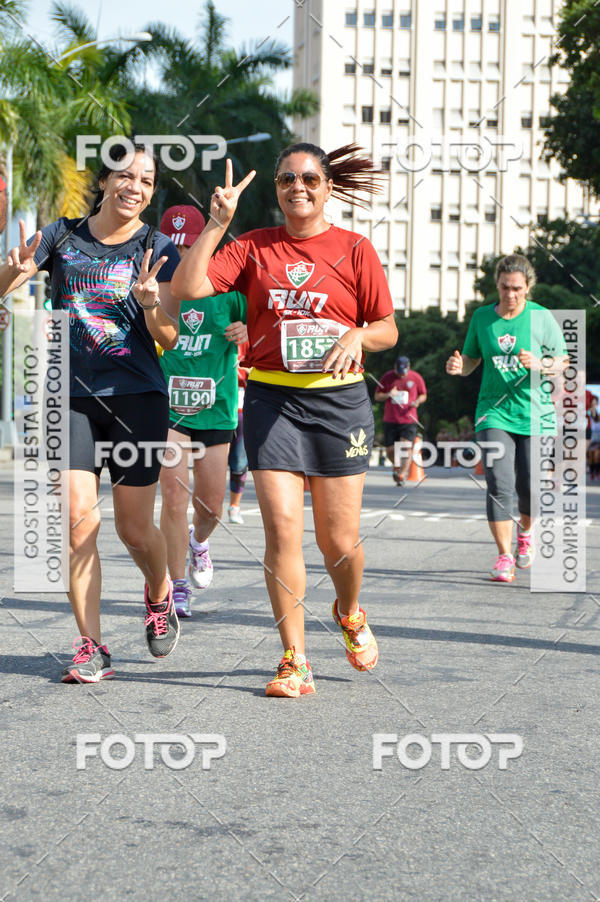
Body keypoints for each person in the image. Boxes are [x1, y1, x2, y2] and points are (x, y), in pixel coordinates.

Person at [171, 142, 398, 697]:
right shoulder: (252, 247)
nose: (298, 186)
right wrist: (216, 226)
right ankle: (294, 659)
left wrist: (357, 334)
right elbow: (186, 289)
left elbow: (388, 330)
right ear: (276, 188)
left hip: (340, 405)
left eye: (310, 178)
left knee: (338, 541)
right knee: (281, 532)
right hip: (274, 402)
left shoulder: (354, 249)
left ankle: (348, 612)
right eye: (287, 179)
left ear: (326, 186)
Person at [0, 144, 181, 681]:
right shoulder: (62, 235)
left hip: (137, 399)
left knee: (133, 528)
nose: (136, 188)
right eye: (126, 176)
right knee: (78, 521)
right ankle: (91, 645)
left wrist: (150, 303)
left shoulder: (157, 245)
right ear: (104, 181)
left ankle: (160, 592)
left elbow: (168, 334)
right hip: (68, 396)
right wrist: (6, 276)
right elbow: (8, 283)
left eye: (147, 181)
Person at [446, 254, 567, 582]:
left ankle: (526, 533)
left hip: (535, 413)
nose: (510, 294)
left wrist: (540, 363)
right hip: (493, 411)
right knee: (499, 483)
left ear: (527, 287)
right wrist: (460, 368)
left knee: (529, 485)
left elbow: (563, 362)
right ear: (496, 285)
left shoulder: (541, 318)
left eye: (516, 288)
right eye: (504, 287)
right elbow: (471, 359)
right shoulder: (483, 317)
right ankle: (504, 555)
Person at [158, 204, 247, 618]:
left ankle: (199, 542)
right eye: (174, 248)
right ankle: (176, 586)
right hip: (169, 407)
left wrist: (247, 331)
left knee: (211, 506)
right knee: (173, 498)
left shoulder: (229, 287)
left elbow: (265, 324)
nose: (182, 256)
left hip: (216, 408)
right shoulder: (154, 284)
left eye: (191, 246)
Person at [375, 355, 427, 485]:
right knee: (390, 451)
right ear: (394, 368)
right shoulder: (387, 377)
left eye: (404, 371)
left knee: (405, 447)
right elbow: (377, 396)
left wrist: (417, 402)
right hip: (391, 419)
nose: (401, 374)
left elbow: (423, 395)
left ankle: (402, 475)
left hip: (409, 419)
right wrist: (388, 394)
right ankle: (397, 466)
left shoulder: (416, 378)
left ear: (408, 367)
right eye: (399, 371)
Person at [227, 343, 250, 524]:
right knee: (211, 462)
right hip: (216, 407)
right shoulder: (216, 334)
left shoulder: (249, 339)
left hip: (242, 407)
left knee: (239, 461)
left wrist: (251, 371)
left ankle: (234, 506)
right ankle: (206, 505)